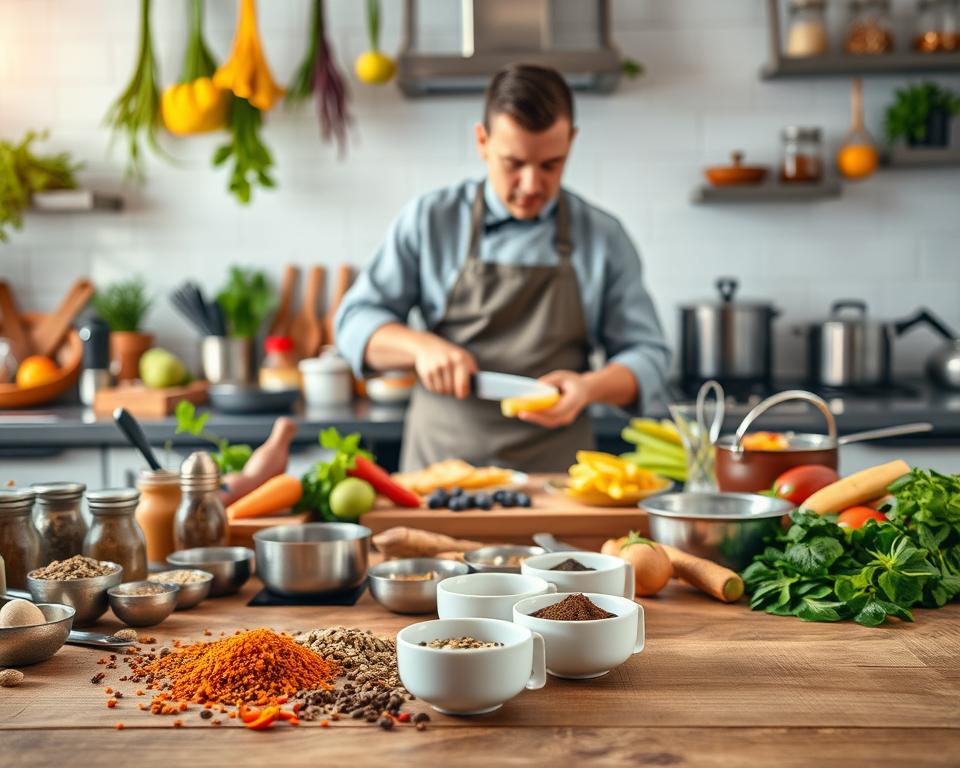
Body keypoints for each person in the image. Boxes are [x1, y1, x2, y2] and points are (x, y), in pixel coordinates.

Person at [335, 64, 670, 472]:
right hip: (440, 473)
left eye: (551, 165)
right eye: (514, 163)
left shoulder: (603, 237)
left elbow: (649, 356)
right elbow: (353, 323)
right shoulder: (429, 220)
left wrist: (588, 388)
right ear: (482, 141)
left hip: (555, 481)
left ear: (572, 142)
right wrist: (420, 347)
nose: (531, 185)